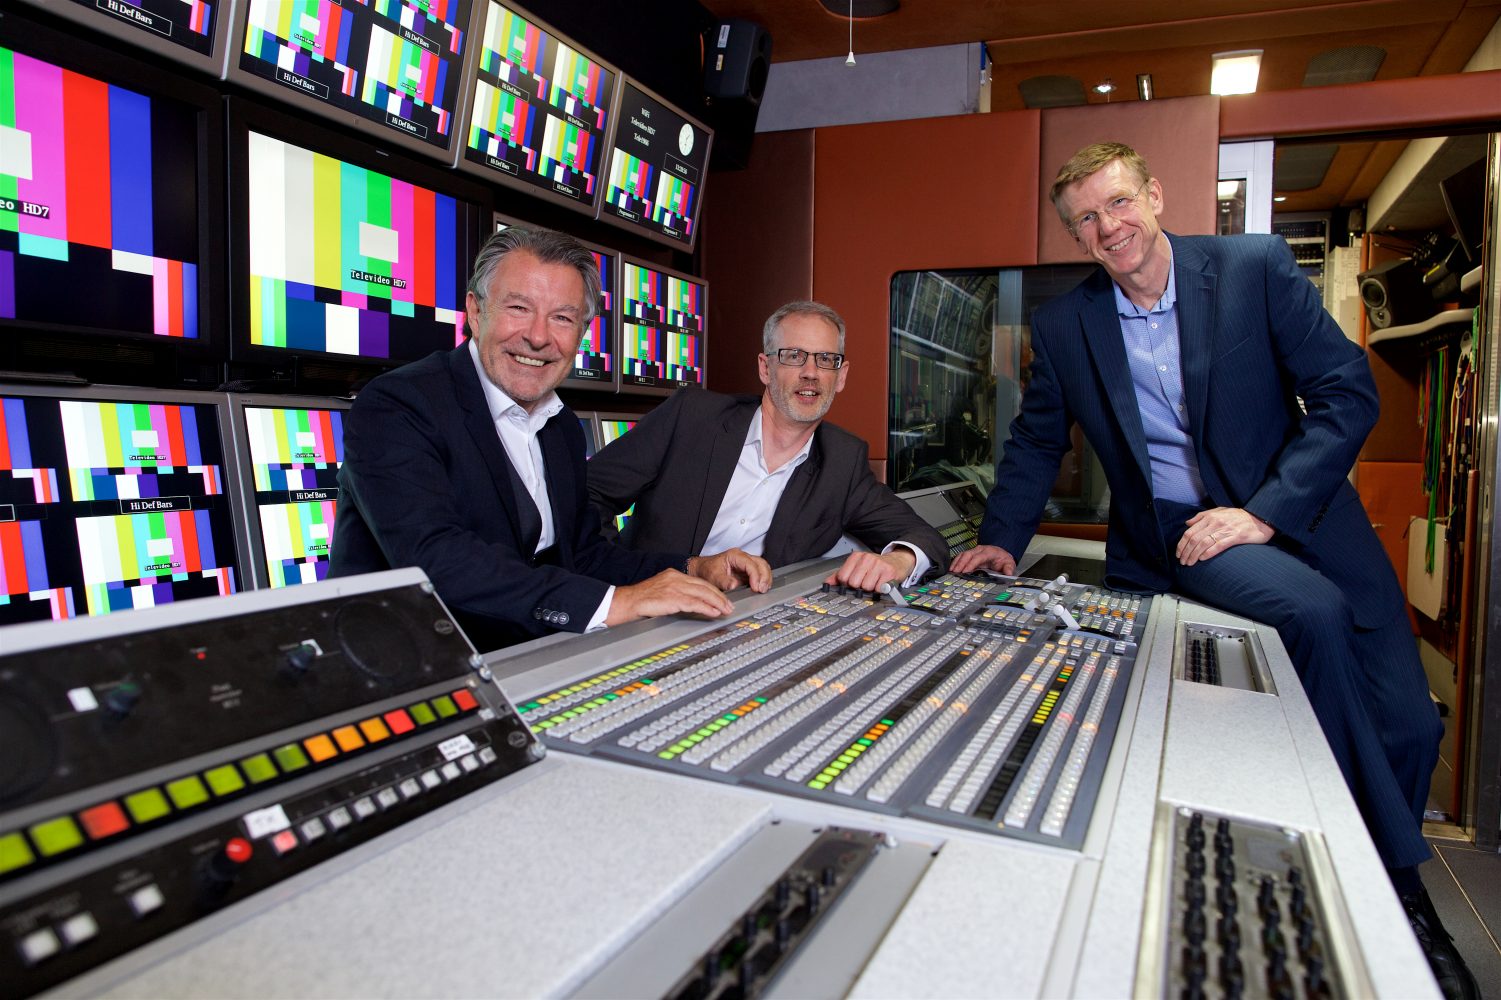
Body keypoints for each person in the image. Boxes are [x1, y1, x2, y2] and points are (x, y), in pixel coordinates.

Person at [950, 142, 1475, 999]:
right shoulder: (1065, 325)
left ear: (1153, 195)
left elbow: (1347, 391)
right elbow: (1036, 440)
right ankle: (1403, 901)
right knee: (1306, 615)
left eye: (1117, 203)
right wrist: (1001, 539)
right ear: (1075, 235)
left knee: (1413, 730)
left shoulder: (1249, 267)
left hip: (1303, 518)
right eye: (1085, 218)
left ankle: (1373, 868)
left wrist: (1265, 510)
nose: (1106, 226)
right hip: (1182, 536)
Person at [330, 226, 771, 652]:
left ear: (581, 333)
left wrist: (694, 568)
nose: (538, 337)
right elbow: (437, 559)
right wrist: (617, 603)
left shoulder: (558, 425)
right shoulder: (397, 405)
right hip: (405, 671)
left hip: (522, 658)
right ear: (476, 310)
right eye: (518, 308)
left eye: (562, 318)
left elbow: (584, 555)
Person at [587, 301, 949, 592]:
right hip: (643, 610)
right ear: (765, 368)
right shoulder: (692, 418)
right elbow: (586, 497)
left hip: (745, 622)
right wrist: (618, 588)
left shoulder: (843, 460)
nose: (811, 372)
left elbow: (924, 537)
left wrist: (898, 560)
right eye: (794, 356)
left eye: (826, 360)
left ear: (841, 377)